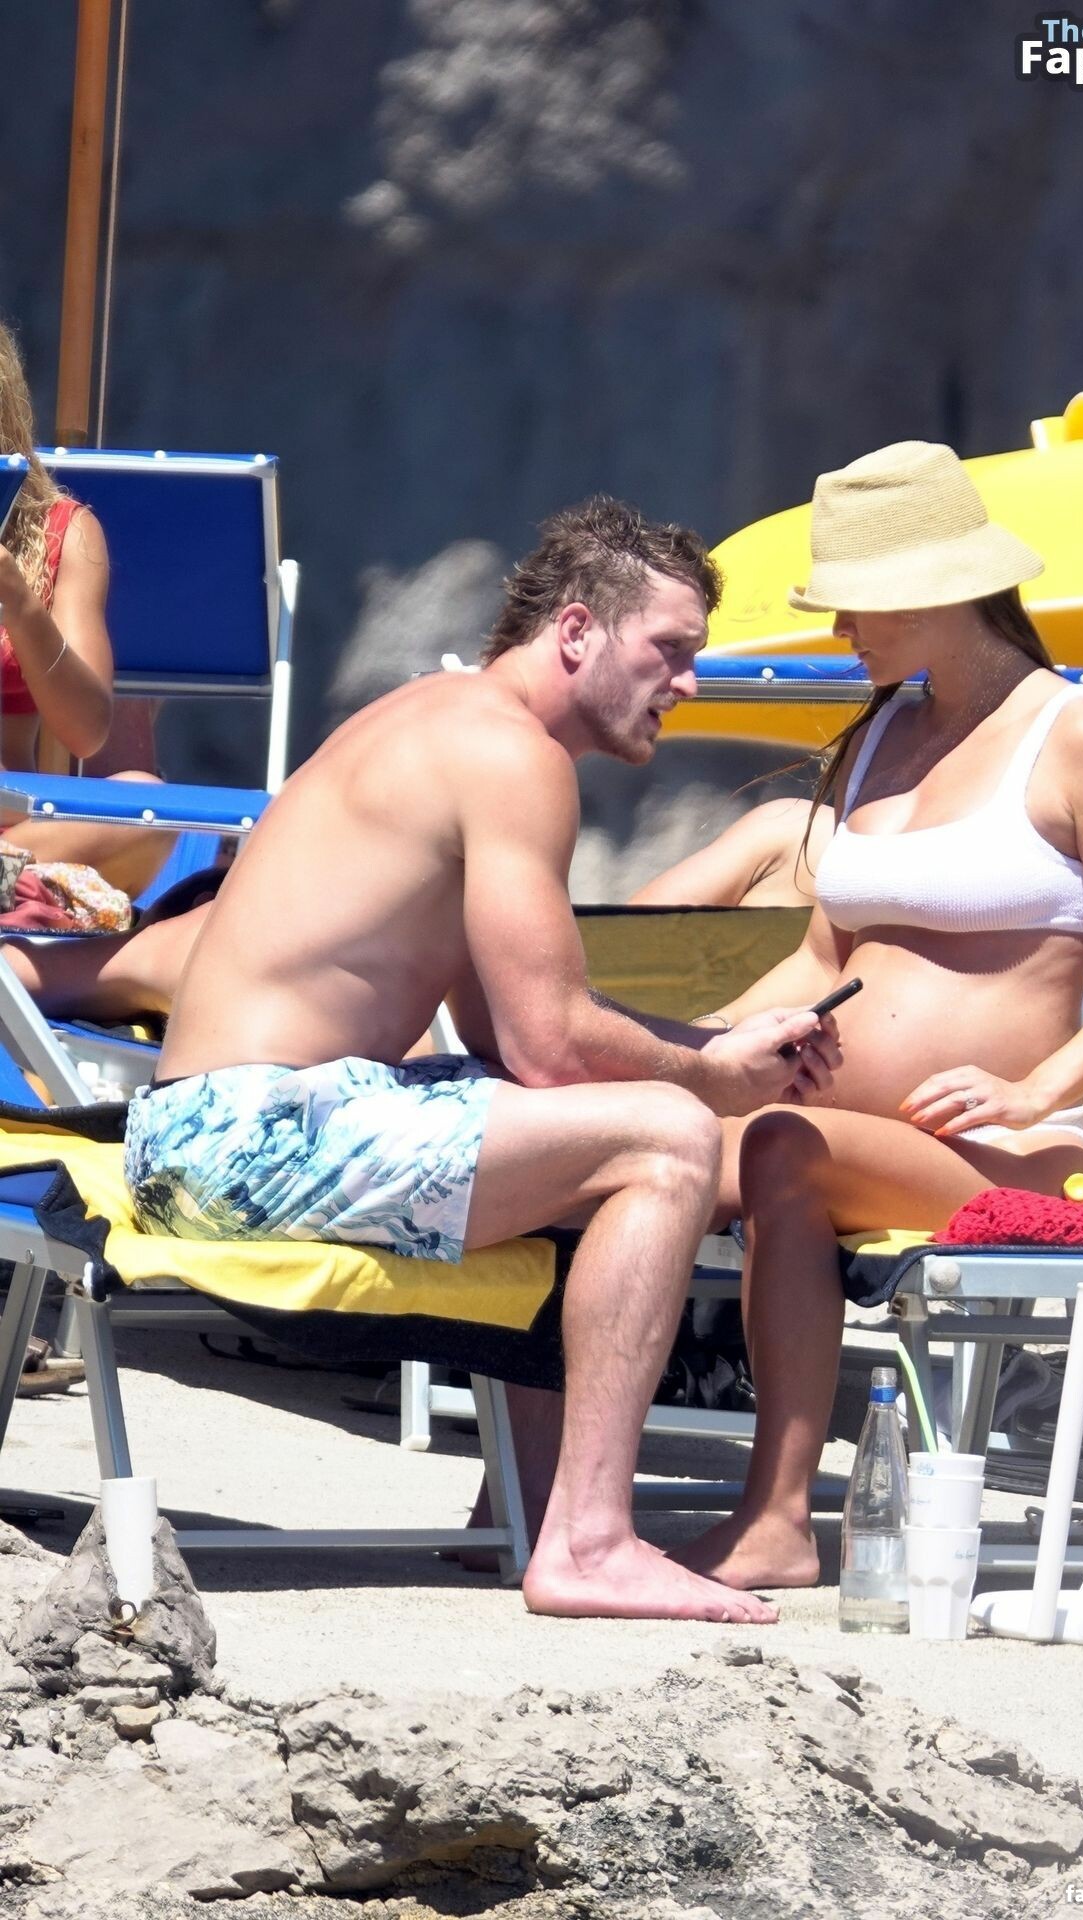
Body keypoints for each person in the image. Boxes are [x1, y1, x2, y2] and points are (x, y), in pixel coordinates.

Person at [120, 496, 842, 1623]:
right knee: (668, 1140)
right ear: (576, 631)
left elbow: (515, 1048)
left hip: (216, 1128)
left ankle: (531, 1504)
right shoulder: (510, 755)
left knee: (577, 1123)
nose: (690, 684)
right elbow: (555, 1041)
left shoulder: (446, 722)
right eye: (670, 650)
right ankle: (589, 1543)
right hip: (241, 1136)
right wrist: (713, 1070)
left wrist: (704, 1050)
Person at [677, 440, 1083, 1591]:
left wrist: (1035, 1090)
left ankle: (774, 1519)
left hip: (1008, 1150)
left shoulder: (1076, 735)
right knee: (618, 1139)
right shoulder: (877, 734)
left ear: (932, 593)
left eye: (852, 605)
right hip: (848, 1130)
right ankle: (545, 1491)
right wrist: (689, 1050)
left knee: (780, 1150)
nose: (835, 631)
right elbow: (823, 955)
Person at [632, 795, 1083, 1207]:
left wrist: (703, 1046)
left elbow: (632, 948)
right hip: (831, 1068)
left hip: (963, 1060)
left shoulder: (949, 856)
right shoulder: (799, 835)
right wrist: (705, 1043)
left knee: (1075, 1041)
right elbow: (632, 944)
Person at [0, 322, 170, 899]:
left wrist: (19, 601)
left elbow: (86, 733)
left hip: (15, 829)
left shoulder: (63, 532)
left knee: (146, 803)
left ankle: (11, 877)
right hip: (25, 860)